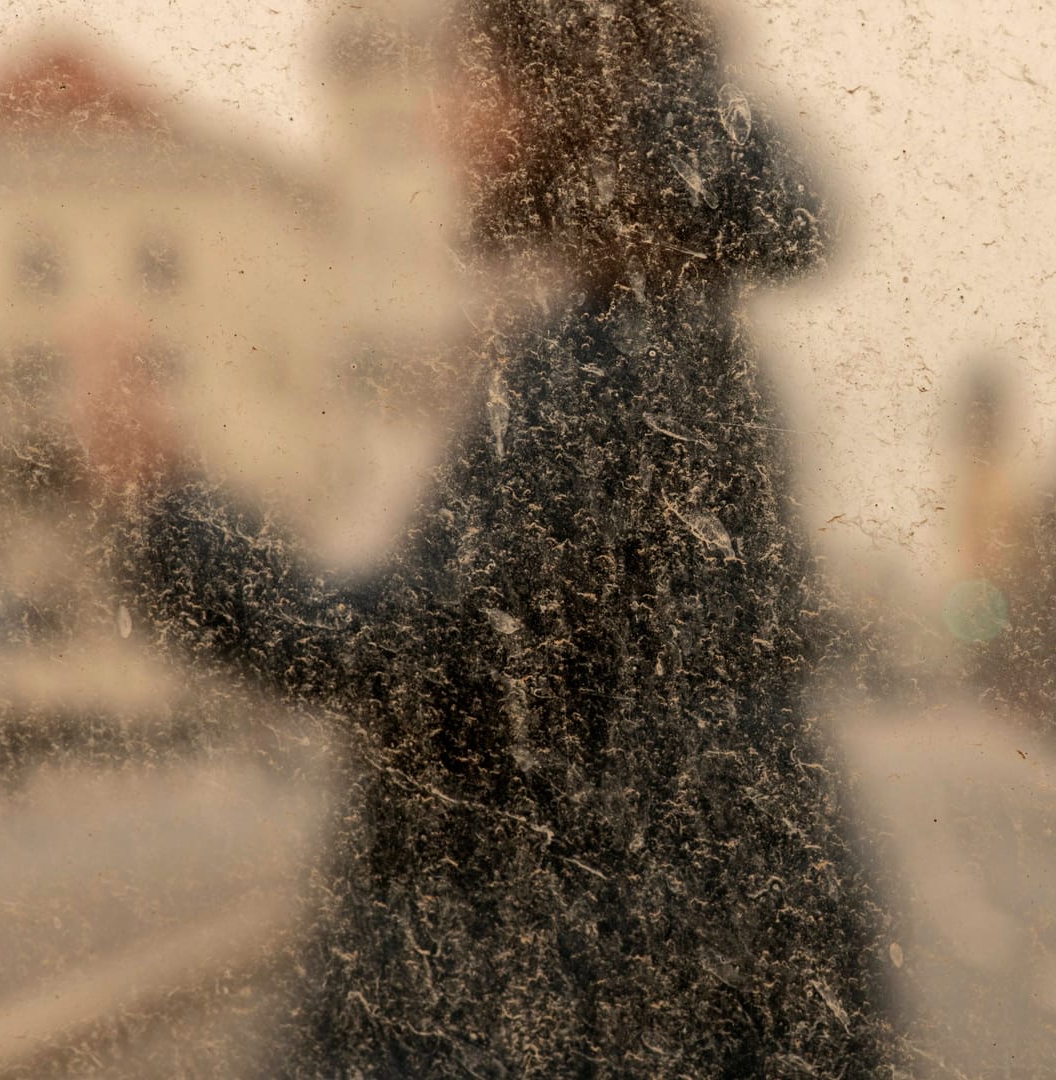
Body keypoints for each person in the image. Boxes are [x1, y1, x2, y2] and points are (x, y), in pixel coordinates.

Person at [68, 0, 901, 1073]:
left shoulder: (610, 352)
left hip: (587, 975)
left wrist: (162, 503)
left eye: (466, 78)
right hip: (654, 950)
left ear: (559, 92)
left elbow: (424, 651)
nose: (435, 117)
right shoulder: (658, 321)